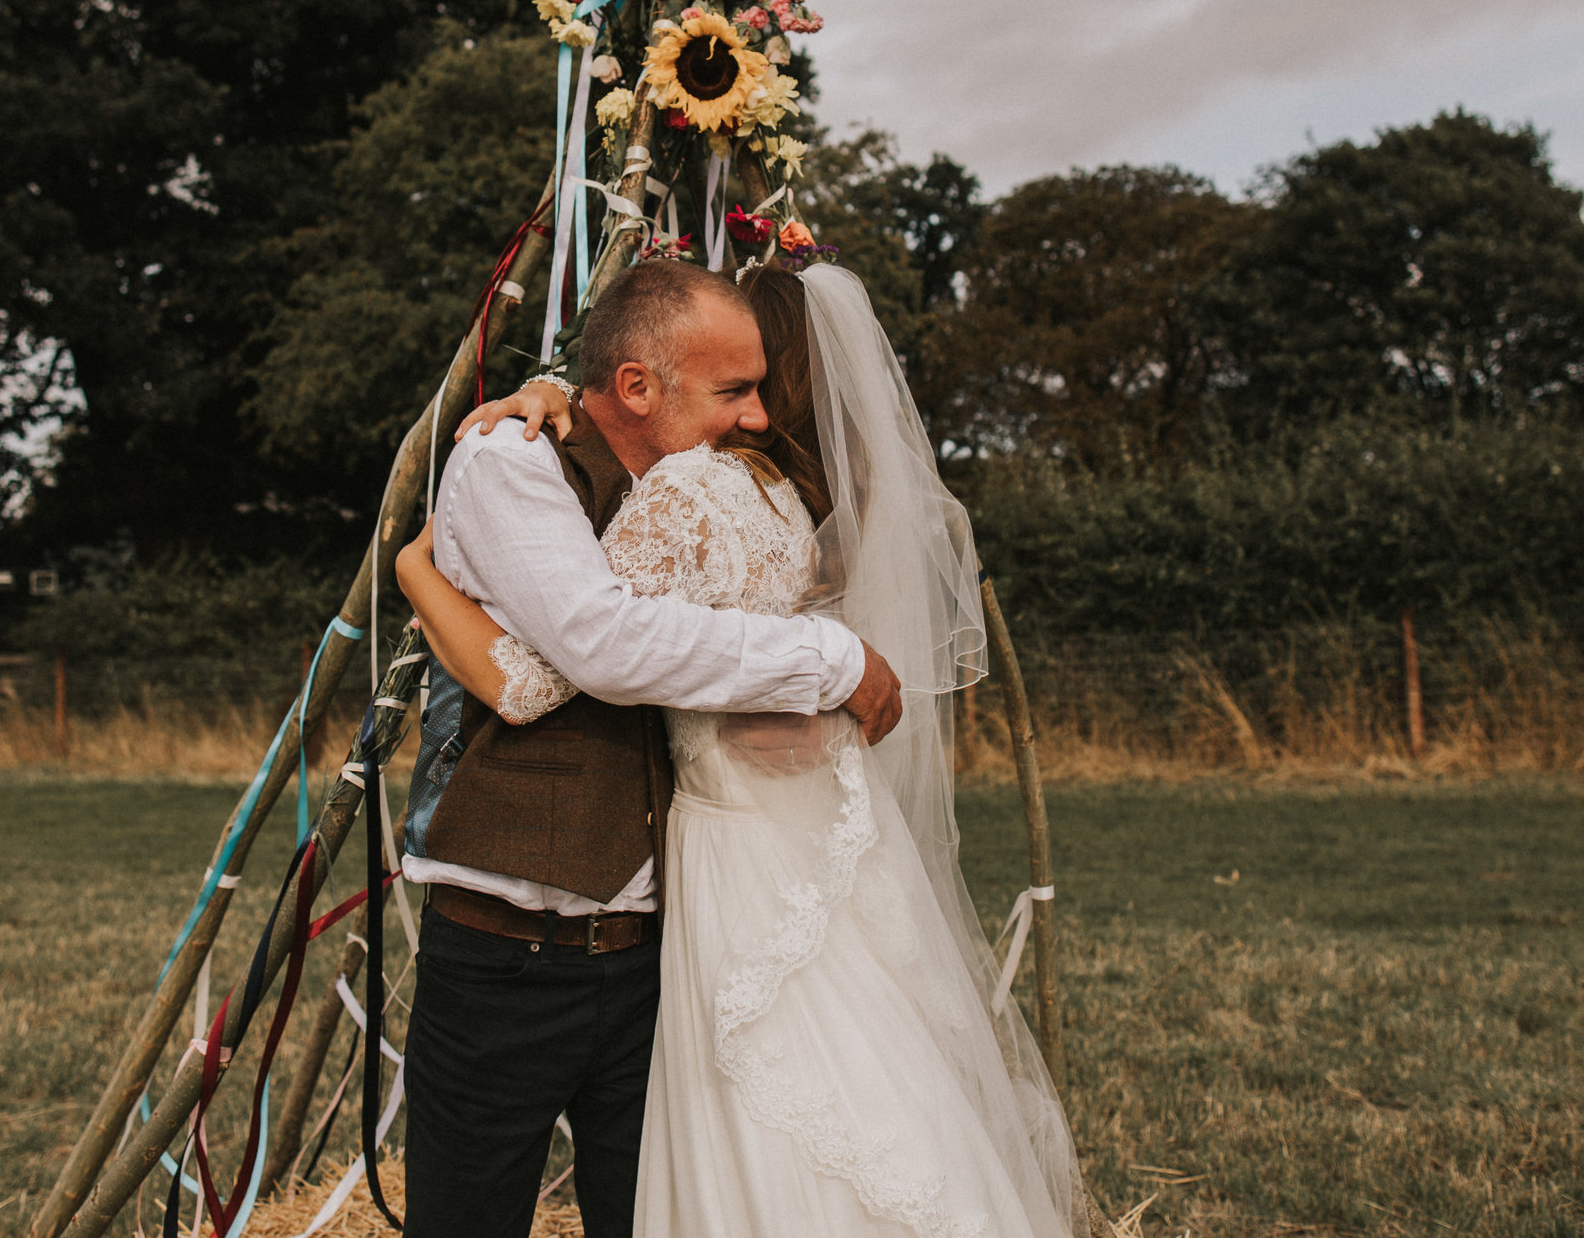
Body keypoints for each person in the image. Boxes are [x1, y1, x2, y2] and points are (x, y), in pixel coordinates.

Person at [403, 261, 1084, 1238]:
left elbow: (567, 659)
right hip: (514, 951)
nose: (756, 415)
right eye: (734, 390)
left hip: (661, 950)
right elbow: (582, 652)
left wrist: (419, 567)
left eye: (764, 387)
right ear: (641, 386)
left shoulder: (694, 487)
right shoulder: (515, 459)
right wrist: (827, 657)